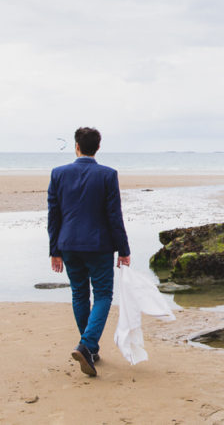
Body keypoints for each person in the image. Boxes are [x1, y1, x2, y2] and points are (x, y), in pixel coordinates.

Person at [48, 127, 130, 377]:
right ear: (98, 147)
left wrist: (54, 250)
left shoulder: (59, 174)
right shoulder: (107, 175)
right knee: (103, 294)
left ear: (76, 146)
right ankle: (87, 345)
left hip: (69, 244)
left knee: (80, 294)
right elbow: (114, 216)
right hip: (99, 245)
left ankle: (90, 350)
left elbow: (54, 215)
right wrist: (124, 250)